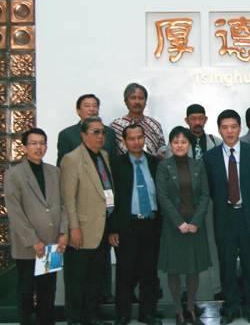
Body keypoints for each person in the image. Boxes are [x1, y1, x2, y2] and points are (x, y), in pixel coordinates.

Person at [204, 110, 250, 325]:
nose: (229, 131)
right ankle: (230, 307)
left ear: (240, 128)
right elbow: (210, 190)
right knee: (227, 266)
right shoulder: (210, 157)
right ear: (219, 130)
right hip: (225, 217)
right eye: (225, 127)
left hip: (249, 217)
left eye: (233, 127)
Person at [57, 93, 117, 305]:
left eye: (102, 133)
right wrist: (73, 227)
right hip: (81, 226)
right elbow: (68, 197)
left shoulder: (104, 156)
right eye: (95, 133)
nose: (100, 136)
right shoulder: (71, 158)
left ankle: (92, 314)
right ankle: (76, 316)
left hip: (102, 222)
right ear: (83, 135)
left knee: (95, 275)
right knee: (78, 275)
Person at [5, 128, 68, 325]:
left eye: (42, 143)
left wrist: (63, 231)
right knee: (26, 290)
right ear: (25, 147)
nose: (38, 147)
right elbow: (15, 212)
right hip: (28, 246)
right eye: (33, 143)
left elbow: (64, 204)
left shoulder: (54, 172)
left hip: (51, 243)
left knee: (47, 291)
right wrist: (34, 240)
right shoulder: (14, 174)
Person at [156, 126, 211, 325]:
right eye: (176, 142)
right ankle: (179, 311)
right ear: (170, 144)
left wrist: (196, 222)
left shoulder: (198, 165)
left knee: (192, 269)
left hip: (195, 225)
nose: (180, 145)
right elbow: (162, 196)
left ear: (189, 144)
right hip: (174, 226)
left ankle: (191, 309)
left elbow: (205, 194)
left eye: (184, 142)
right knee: (174, 270)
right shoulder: (164, 166)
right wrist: (179, 222)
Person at [109, 124, 161, 325]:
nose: (136, 142)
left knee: (149, 272)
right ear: (124, 141)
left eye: (140, 137)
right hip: (127, 226)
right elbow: (111, 199)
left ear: (144, 138)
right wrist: (113, 228)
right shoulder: (116, 164)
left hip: (151, 224)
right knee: (125, 272)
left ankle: (147, 313)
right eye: (131, 139)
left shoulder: (155, 163)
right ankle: (122, 315)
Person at [184, 103, 223, 301]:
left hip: (211, 200)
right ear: (187, 121)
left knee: (215, 243)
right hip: (187, 204)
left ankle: (218, 287)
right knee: (187, 246)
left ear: (206, 120)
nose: (197, 122)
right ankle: (187, 290)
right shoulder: (179, 142)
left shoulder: (216, 142)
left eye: (201, 118)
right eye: (193, 119)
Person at [57, 93, 118, 166]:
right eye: (87, 106)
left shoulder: (109, 132)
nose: (91, 109)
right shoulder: (67, 134)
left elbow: (114, 162)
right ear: (78, 111)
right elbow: (62, 165)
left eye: (95, 106)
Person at [110, 83, 165, 156]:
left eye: (141, 98)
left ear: (145, 102)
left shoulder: (155, 125)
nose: (137, 102)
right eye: (133, 98)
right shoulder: (115, 126)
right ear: (126, 101)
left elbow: (163, 151)